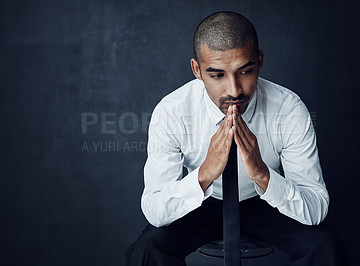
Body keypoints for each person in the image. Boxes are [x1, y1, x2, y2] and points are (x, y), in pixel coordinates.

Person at [125, 11, 348, 266]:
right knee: (147, 249)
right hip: (203, 204)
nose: (234, 90)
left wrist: (263, 174)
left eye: (245, 71)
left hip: (265, 201)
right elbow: (154, 209)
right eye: (217, 75)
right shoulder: (172, 112)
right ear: (197, 70)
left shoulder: (288, 109)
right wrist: (204, 173)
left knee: (325, 247)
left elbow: (316, 207)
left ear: (260, 61)